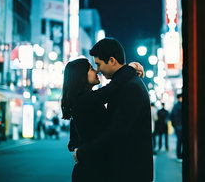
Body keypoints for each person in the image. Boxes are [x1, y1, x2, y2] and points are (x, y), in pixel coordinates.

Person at [73, 38, 153, 182]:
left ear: (111, 60)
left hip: (130, 172)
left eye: (98, 64)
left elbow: (117, 131)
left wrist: (82, 152)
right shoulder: (125, 84)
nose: (97, 70)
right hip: (125, 170)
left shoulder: (129, 87)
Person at [61, 57, 142, 181]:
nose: (97, 71)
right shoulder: (83, 100)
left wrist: (79, 148)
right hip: (91, 172)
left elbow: (75, 134)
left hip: (91, 169)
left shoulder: (79, 100)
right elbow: (113, 87)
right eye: (91, 68)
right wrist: (131, 67)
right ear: (81, 75)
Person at [170, 93, 183, 160]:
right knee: (180, 141)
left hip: (177, 126)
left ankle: (179, 155)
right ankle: (180, 155)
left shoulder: (175, 106)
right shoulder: (181, 106)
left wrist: (174, 125)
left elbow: (171, 116)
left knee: (179, 141)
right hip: (180, 126)